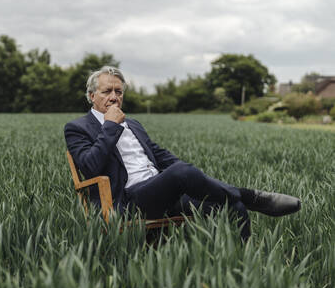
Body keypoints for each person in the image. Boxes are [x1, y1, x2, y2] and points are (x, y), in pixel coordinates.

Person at [64, 66, 301, 240]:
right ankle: (253, 198)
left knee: (231, 205)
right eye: (107, 92)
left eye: (119, 91)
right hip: (127, 201)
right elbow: (90, 166)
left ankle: (246, 263)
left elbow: (161, 155)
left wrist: (194, 179)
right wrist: (111, 126)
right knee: (181, 173)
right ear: (92, 96)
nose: (114, 97)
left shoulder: (133, 124)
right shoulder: (78, 128)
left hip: (159, 191)